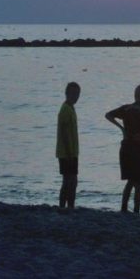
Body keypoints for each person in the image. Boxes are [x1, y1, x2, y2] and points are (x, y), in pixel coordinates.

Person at [105, 84, 140, 214]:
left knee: (131, 180)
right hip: (137, 149)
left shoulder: (126, 108)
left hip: (126, 148)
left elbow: (108, 115)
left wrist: (121, 128)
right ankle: (135, 210)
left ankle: (124, 208)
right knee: (137, 182)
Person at [56, 82, 81, 210]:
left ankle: (69, 205)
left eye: (77, 94)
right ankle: (64, 205)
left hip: (72, 151)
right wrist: (69, 153)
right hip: (66, 153)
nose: (75, 96)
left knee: (72, 181)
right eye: (73, 94)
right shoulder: (65, 109)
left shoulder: (71, 108)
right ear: (67, 94)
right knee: (68, 181)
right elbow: (65, 133)